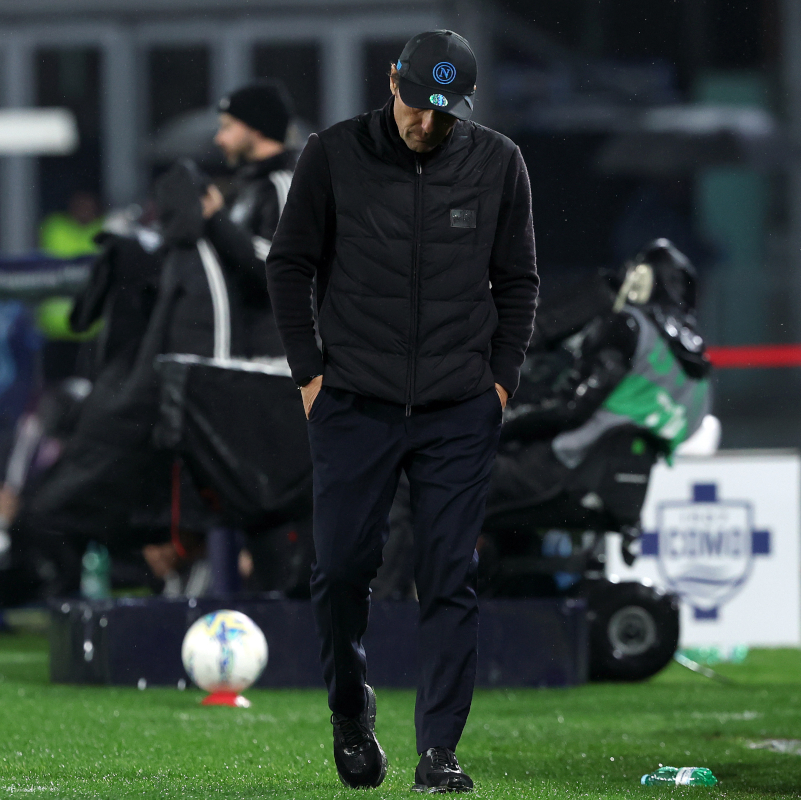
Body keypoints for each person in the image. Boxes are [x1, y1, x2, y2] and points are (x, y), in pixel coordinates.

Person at [266, 29, 538, 793]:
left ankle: (439, 751)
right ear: (392, 82)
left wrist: (499, 383)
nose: (428, 123)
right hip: (352, 400)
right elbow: (289, 265)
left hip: (460, 406)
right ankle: (350, 709)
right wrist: (310, 376)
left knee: (450, 575)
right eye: (418, 105)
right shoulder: (332, 153)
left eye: (445, 113)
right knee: (343, 569)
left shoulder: (498, 163)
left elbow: (518, 281)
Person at [487, 239, 711, 523]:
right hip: (607, 492)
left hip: (555, 470)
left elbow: (568, 407)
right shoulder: (700, 381)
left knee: (439, 474)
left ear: (641, 279)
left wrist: (494, 426)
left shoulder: (630, 327)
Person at [202, 80, 296, 357]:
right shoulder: (249, 187)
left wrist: (216, 220)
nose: (219, 138)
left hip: (281, 354)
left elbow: (282, 268)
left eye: (228, 126)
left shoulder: (284, 182)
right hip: (253, 346)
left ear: (256, 128)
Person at [39, 190, 104, 258]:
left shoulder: (105, 226)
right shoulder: (54, 225)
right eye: (80, 205)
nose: (84, 210)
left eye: (88, 206)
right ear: (72, 206)